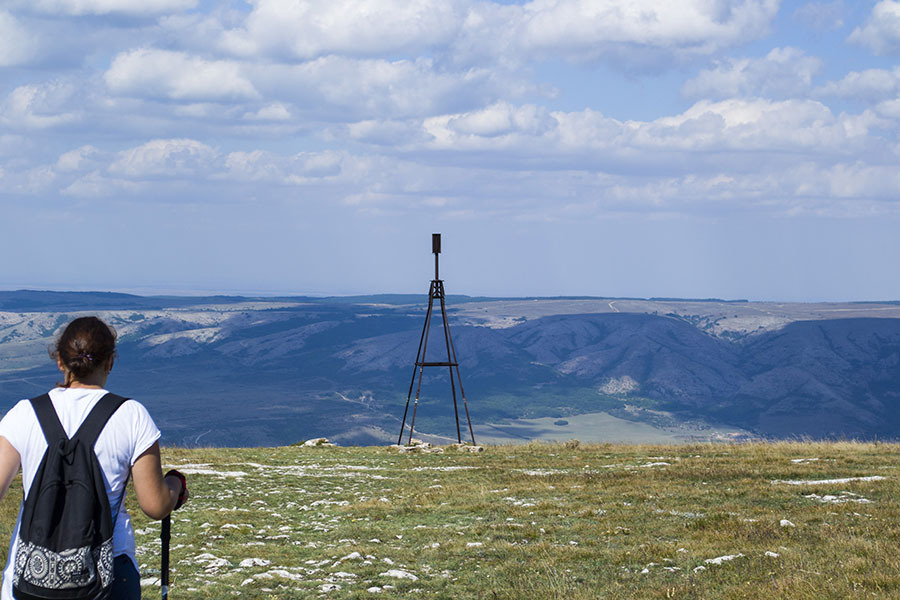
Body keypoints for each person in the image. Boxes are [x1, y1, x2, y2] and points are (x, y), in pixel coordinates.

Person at [0, 316, 188, 600]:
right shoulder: (131, 415)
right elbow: (155, 505)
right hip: (109, 576)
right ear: (110, 362)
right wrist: (175, 485)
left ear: (60, 361)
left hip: (29, 579)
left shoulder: (24, 414)